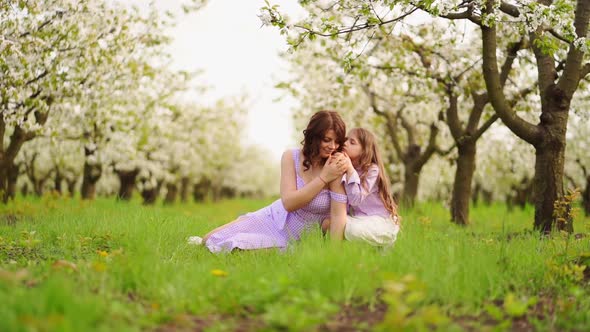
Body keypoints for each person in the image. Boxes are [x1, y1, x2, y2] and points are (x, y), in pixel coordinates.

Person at [188, 110, 349, 253]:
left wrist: (334, 253)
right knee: (209, 240)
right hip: (274, 217)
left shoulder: (335, 164)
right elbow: (289, 203)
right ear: (314, 137)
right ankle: (229, 230)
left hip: (298, 235)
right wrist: (323, 178)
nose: (332, 146)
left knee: (235, 248)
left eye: (337, 142)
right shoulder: (291, 156)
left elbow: (338, 214)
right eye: (327, 140)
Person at [321, 127, 400, 247]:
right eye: (346, 140)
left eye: (352, 142)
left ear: (364, 151)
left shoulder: (372, 170)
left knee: (341, 226)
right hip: (360, 219)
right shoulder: (345, 167)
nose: (345, 143)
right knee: (327, 223)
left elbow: (355, 199)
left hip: (378, 222)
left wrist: (350, 170)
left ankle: (382, 249)